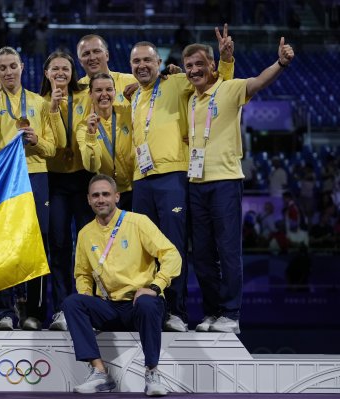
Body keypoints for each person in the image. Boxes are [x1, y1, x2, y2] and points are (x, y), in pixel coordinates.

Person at [182, 34, 294, 334]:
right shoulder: (190, 99)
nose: (194, 70)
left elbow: (258, 81)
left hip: (225, 181)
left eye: (199, 64)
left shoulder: (229, 89)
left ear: (212, 65)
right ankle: (212, 312)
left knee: (228, 250)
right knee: (203, 254)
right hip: (194, 182)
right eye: (188, 65)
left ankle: (231, 314)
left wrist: (281, 63)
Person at [128, 26, 234, 333]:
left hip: (173, 176)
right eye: (136, 62)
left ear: (159, 63)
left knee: (172, 246)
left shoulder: (175, 82)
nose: (142, 66)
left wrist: (225, 60)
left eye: (148, 60)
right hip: (141, 179)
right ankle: (152, 309)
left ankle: (175, 311)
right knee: (145, 249)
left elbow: (218, 86)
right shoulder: (133, 96)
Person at [62, 174, 181, 396]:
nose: (101, 199)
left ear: (116, 196)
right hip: (108, 306)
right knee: (72, 303)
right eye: (95, 195)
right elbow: (82, 274)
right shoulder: (85, 233)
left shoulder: (138, 222)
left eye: (106, 194)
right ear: (88, 200)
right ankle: (99, 372)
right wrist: (87, 295)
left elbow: (172, 255)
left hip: (140, 304)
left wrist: (156, 286)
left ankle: (152, 373)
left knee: (147, 302)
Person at [0, 46, 57, 330]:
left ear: (22, 67)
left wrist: (37, 140)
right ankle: (3, 311)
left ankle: (34, 313)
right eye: (2, 68)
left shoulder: (39, 102)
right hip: (3, 180)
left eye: (13, 66)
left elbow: (52, 148)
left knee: (37, 245)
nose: (8, 72)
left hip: (35, 176)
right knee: (2, 245)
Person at [39, 51, 94, 331]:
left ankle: (90, 306)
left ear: (73, 72)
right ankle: (61, 309)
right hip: (56, 181)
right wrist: (53, 108)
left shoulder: (87, 94)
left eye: (65, 68)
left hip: (85, 179)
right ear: (46, 72)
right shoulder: (40, 103)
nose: (60, 72)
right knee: (59, 246)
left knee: (87, 246)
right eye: (55, 68)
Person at [77, 73, 134, 211]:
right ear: (90, 94)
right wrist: (91, 134)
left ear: (115, 91)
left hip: (138, 187)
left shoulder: (128, 112)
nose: (104, 94)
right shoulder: (83, 127)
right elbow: (91, 166)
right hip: (111, 195)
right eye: (98, 90)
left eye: (109, 89)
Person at [76, 34, 137, 111]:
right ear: (80, 61)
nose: (92, 57)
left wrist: (143, 87)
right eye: (86, 54)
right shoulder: (75, 91)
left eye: (96, 51)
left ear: (107, 55)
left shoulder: (132, 82)